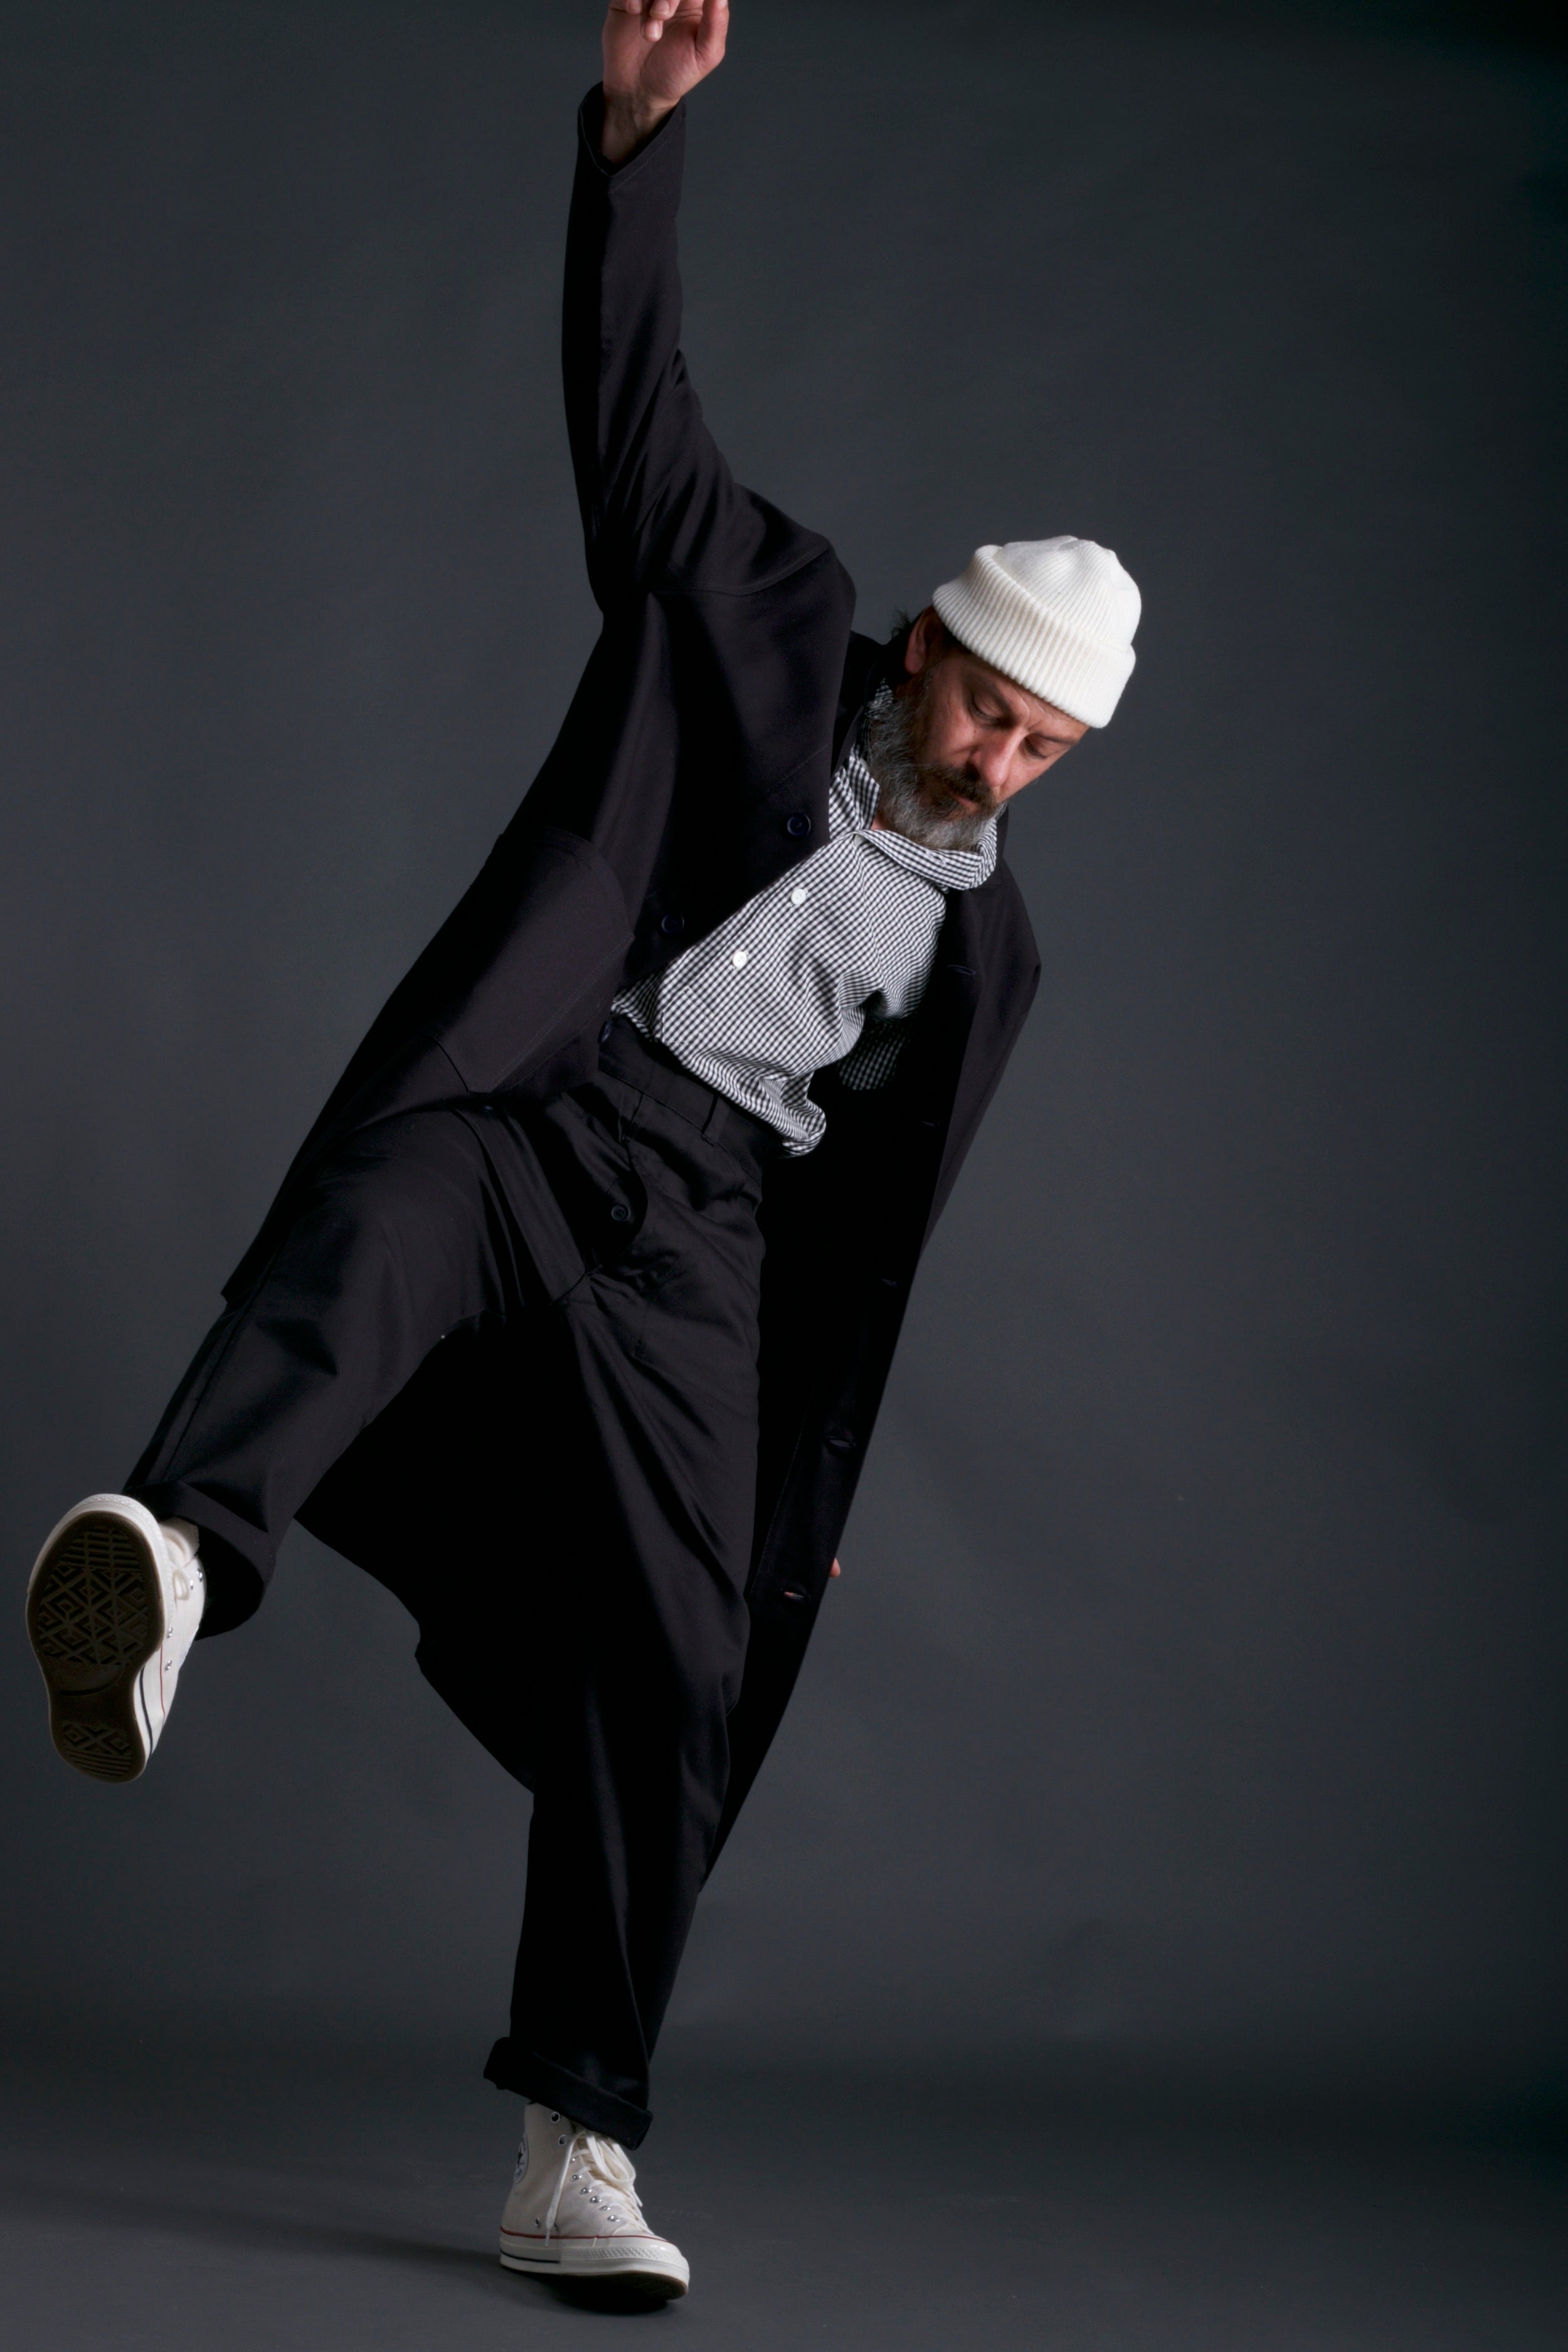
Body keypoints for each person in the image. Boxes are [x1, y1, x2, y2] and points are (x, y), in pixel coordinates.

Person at [24, 0, 1140, 2307]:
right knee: (362, 1236)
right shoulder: (751, 612)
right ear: (922, 647)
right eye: (981, 707)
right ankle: (171, 1567)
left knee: (678, 1664)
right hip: (550, 1103)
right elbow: (635, 416)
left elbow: (866, 1223)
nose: (994, 763)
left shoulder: (990, 955)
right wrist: (632, 144)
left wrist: (783, 1439)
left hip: (698, 1234)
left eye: (1040, 747)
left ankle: (577, 2144)